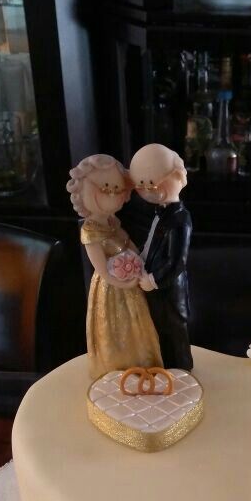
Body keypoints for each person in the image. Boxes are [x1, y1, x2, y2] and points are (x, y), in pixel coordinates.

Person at [67, 154, 163, 379]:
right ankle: (117, 370)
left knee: (136, 326)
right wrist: (120, 280)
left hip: (131, 283)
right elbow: (101, 269)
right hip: (111, 289)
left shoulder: (113, 222)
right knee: (115, 327)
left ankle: (142, 366)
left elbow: (128, 242)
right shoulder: (90, 231)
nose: (116, 196)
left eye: (119, 189)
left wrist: (138, 260)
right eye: (107, 189)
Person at [129, 144, 193, 371]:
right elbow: (150, 245)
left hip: (169, 288)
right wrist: (140, 257)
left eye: (155, 184)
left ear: (177, 176)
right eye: (143, 187)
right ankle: (166, 370)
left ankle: (183, 372)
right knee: (160, 330)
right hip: (155, 287)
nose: (151, 191)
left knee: (176, 332)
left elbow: (177, 261)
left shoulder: (179, 219)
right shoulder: (161, 214)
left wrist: (153, 279)